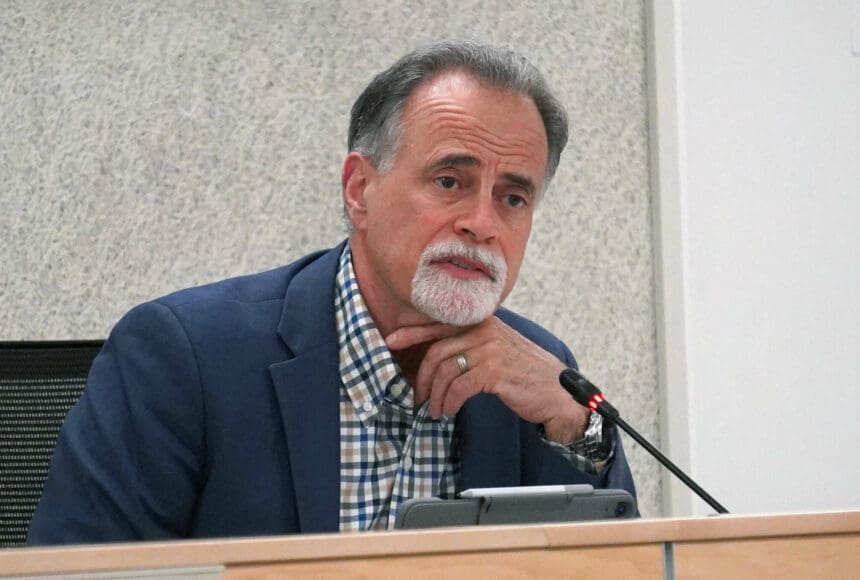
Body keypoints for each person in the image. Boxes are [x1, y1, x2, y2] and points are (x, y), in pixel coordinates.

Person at [28, 40, 635, 545]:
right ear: (359, 190)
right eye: (450, 180)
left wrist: (570, 421)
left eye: (512, 197)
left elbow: (618, 564)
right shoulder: (181, 357)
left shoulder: (538, 375)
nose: (481, 222)